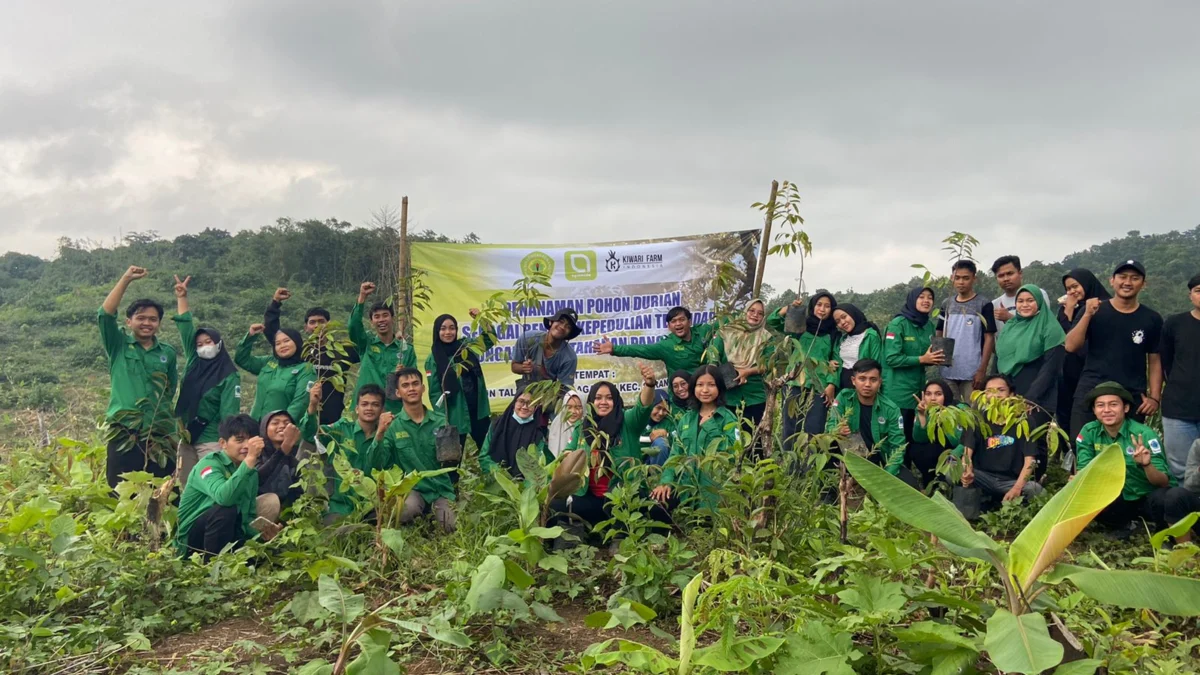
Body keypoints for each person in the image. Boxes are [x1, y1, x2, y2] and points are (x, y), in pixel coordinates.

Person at [1076, 382, 1198, 542]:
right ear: (1094, 410)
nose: (1106, 410)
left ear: (1125, 408)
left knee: (1164, 498)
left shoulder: (1144, 434)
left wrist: (1146, 465)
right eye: (1100, 405)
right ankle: (1122, 525)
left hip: (1146, 496)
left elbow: (1163, 481)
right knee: (1086, 493)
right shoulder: (1089, 432)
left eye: (1113, 404)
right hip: (1116, 497)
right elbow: (1084, 469)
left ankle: (1164, 532)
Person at [550, 366, 657, 536]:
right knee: (556, 506)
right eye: (598, 398)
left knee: (629, 506)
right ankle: (578, 536)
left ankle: (620, 537)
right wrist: (569, 458)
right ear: (591, 402)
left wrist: (649, 385)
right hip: (590, 498)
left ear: (616, 400)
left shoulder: (627, 422)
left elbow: (642, 407)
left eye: (608, 398)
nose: (603, 402)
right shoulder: (583, 427)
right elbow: (569, 451)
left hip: (621, 497)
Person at [98, 265, 179, 488]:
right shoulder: (118, 345)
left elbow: (169, 388)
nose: (147, 323)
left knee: (163, 488)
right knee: (120, 488)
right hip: (124, 429)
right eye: (141, 318)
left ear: (159, 324)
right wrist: (126, 279)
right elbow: (104, 314)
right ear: (129, 322)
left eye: (153, 319)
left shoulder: (167, 353)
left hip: (160, 431)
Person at [1065, 260, 1163, 439]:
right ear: (1112, 280)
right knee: (1081, 446)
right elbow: (1071, 346)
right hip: (1091, 390)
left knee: (1129, 449)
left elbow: (1155, 359)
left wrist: (1154, 398)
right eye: (1122, 277)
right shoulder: (1095, 310)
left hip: (1131, 395)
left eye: (1134, 278)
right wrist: (1087, 314)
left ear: (1144, 284)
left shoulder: (1152, 318)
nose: (1127, 282)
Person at [175, 414, 282, 561]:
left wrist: (264, 534)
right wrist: (250, 459)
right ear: (223, 443)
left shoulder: (251, 473)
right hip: (193, 542)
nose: (246, 446)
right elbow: (224, 498)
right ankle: (211, 568)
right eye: (239, 440)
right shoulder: (209, 465)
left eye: (250, 441)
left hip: (227, 533)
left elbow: (248, 518)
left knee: (269, 556)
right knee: (226, 510)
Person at [172, 275, 241, 489]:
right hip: (185, 437)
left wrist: (226, 445)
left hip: (210, 441)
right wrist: (182, 297)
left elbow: (228, 414)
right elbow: (185, 328)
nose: (203, 346)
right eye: (200, 343)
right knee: (185, 487)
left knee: (209, 487)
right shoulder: (195, 361)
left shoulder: (229, 375)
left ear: (219, 344)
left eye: (208, 342)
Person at [649, 364, 741, 518]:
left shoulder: (727, 418)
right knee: (657, 504)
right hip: (687, 485)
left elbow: (735, 452)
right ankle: (663, 540)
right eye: (700, 385)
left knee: (709, 524)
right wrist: (665, 481)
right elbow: (675, 454)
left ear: (719, 388)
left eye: (711, 385)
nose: (705, 390)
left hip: (714, 489)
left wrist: (710, 424)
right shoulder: (687, 418)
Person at [375, 368, 457, 532]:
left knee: (451, 526)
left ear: (423, 388)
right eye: (405, 385)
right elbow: (382, 462)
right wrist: (380, 433)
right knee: (406, 513)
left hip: (439, 488)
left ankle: (432, 515)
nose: (411, 388)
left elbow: (452, 462)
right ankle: (420, 520)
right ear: (398, 393)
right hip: (412, 489)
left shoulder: (441, 421)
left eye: (415, 384)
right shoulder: (393, 426)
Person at [299, 383, 393, 523]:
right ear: (357, 408)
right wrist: (313, 405)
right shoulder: (342, 429)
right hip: (340, 505)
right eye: (364, 404)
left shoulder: (386, 436)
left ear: (382, 409)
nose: (369, 408)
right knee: (337, 533)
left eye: (375, 405)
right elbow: (310, 435)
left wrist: (379, 435)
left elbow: (375, 464)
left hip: (370, 506)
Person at [264, 287, 359, 425]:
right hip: (302, 419)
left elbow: (365, 346)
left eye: (321, 321)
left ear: (329, 324)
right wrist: (275, 303)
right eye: (312, 322)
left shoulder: (343, 350)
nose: (317, 325)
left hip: (332, 420)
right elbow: (273, 333)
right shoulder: (300, 350)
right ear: (306, 327)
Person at [957, 375, 1044, 514]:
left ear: (1011, 394)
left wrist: (1016, 488)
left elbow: (1030, 461)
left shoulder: (1025, 421)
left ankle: (1014, 513)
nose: (995, 395)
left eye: (1001, 390)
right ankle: (971, 512)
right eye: (989, 391)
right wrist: (966, 471)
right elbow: (967, 454)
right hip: (982, 476)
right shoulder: (976, 418)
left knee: (1035, 489)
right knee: (953, 471)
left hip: (1010, 480)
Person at [770, 291, 839, 450]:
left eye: (827, 306)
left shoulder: (833, 333)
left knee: (814, 429)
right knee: (790, 427)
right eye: (819, 305)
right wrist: (788, 309)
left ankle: (809, 469)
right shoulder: (801, 326)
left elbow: (837, 361)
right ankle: (789, 467)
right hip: (794, 381)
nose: (822, 309)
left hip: (819, 386)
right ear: (813, 307)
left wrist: (831, 384)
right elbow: (773, 321)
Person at [826, 359, 911, 484]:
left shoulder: (891, 409)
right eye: (862, 379)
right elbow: (830, 424)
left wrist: (887, 475)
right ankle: (830, 493)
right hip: (851, 457)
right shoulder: (844, 398)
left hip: (879, 461)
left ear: (880, 382)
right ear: (853, 381)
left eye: (873, 379)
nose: (867, 384)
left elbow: (897, 447)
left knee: (910, 485)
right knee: (825, 442)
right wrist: (836, 430)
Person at [426, 311, 493, 458]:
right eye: (443, 328)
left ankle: (492, 479)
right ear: (437, 331)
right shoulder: (433, 359)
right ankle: (454, 482)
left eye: (452, 328)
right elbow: (435, 393)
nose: (448, 332)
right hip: (455, 416)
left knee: (490, 452)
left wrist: (481, 318)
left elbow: (489, 339)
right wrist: (442, 418)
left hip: (478, 411)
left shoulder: (466, 347)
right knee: (453, 459)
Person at [1055, 269, 1110, 436]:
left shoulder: (1104, 306)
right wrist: (1069, 311)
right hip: (1069, 374)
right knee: (1067, 416)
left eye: (1075, 286)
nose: (1072, 291)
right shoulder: (1067, 309)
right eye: (1068, 289)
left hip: (1094, 372)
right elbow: (1063, 339)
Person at [883, 287, 943, 442]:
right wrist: (922, 359)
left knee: (913, 437)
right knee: (898, 438)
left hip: (918, 390)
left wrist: (934, 359)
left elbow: (926, 356)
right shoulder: (898, 324)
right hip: (898, 392)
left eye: (930, 297)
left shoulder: (928, 325)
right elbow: (891, 358)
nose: (926, 301)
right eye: (921, 297)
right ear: (912, 300)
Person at [350, 281, 417, 411]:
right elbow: (353, 326)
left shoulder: (406, 349)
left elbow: (413, 380)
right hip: (367, 409)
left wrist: (403, 374)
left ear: (392, 318)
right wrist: (362, 297)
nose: (381, 320)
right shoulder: (366, 343)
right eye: (377, 317)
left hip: (395, 410)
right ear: (371, 322)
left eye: (385, 315)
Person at [936, 260, 997, 402]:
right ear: (952, 278)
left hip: (972, 372)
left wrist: (982, 370)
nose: (961, 282)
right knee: (949, 412)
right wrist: (940, 359)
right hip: (948, 371)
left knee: (974, 415)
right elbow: (939, 331)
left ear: (974, 279)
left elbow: (989, 337)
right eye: (957, 278)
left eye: (966, 278)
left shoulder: (983, 304)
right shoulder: (947, 303)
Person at [1159, 273, 1200, 481]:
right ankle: (1185, 511)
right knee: (1181, 471)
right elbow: (1164, 361)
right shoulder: (1174, 324)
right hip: (1179, 408)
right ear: (1190, 295)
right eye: (1198, 291)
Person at [595, 306, 715, 375]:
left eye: (681, 320)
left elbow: (726, 323)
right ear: (669, 327)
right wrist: (615, 349)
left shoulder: (704, 331)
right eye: (673, 321)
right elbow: (640, 349)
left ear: (689, 322)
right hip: (683, 396)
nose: (678, 324)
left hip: (709, 390)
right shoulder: (666, 345)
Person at [235, 322, 315, 423]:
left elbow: (300, 403)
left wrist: (282, 425)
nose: (282, 346)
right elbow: (242, 359)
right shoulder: (269, 361)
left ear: (297, 342)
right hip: (255, 426)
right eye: (278, 343)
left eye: (286, 341)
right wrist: (251, 336)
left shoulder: (306, 369)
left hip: (282, 430)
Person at [711, 299, 771, 423]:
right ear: (744, 312)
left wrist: (747, 371)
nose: (755, 315)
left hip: (755, 395)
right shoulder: (726, 332)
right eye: (752, 311)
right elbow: (713, 357)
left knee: (755, 437)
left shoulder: (766, 337)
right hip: (728, 395)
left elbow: (769, 364)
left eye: (760, 313)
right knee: (730, 436)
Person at [479, 388, 551, 480]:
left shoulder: (538, 433)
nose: (525, 407)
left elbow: (540, 464)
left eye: (530, 403)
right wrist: (503, 477)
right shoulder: (497, 425)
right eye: (521, 401)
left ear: (535, 407)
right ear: (514, 403)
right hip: (497, 483)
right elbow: (484, 457)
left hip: (526, 487)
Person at [909, 380, 967, 488]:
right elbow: (919, 439)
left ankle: (946, 484)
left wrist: (952, 457)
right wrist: (922, 415)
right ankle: (930, 484)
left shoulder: (960, 409)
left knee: (948, 469)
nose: (933, 398)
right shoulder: (923, 408)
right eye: (928, 394)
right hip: (938, 454)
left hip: (957, 453)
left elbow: (967, 441)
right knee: (916, 449)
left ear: (946, 394)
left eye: (938, 394)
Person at [512, 308, 582, 387]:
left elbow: (565, 387)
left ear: (569, 334)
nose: (562, 327)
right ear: (551, 322)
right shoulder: (528, 338)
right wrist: (523, 368)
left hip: (550, 393)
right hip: (526, 388)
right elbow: (514, 366)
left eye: (568, 327)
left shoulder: (569, 357)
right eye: (561, 321)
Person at [990, 255, 1051, 332]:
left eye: (1010, 274)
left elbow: (1043, 324)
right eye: (1001, 276)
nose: (1006, 279)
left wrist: (1010, 318)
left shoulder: (1038, 295)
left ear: (1020, 273)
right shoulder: (994, 305)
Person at [256, 409, 301, 509]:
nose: (282, 426)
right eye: (275, 423)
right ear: (264, 428)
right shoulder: (256, 453)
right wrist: (283, 449)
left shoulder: (295, 460)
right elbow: (257, 480)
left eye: (287, 423)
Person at [831, 303, 882, 391]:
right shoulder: (842, 339)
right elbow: (837, 361)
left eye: (844, 317)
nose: (842, 322)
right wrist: (831, 363)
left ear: (853, 314)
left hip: (863, 388)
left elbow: (877, 364)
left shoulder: (870, 336)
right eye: (838, 321)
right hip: (842, 390)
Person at [547, 389, 585, 459]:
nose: (573, 411)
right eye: (569, 407)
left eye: (578, 407)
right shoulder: (557, 424)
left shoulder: (587, 427)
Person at [642, 391, 675, 466]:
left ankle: (658, 476)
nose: (660, 413)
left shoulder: (669, 423)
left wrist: (667, 434)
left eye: (665, 410)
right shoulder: (639, 420)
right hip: (639, 465)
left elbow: (677, 439)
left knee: (661, 443)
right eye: (658, 408)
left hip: (661, 466)